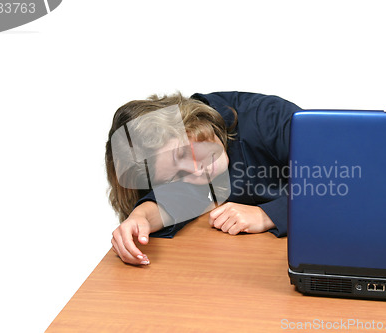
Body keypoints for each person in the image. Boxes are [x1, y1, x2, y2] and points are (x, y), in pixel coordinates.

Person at [106, 91, 302, 265]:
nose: (197, 172)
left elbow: (331, 182)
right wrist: (140, 218)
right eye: (178, 175)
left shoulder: (266, 117)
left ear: (188, 122)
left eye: (181, 154)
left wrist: (266, 215)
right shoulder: (193, 179)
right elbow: (175, 199)